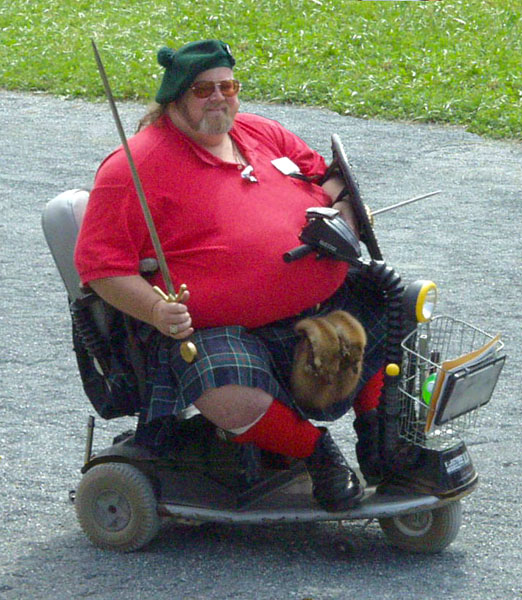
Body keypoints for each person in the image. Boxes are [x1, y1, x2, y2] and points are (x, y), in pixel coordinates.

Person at [75, 39, 386, 512]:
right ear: (175, 97)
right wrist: (156, 310)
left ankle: (379, 439)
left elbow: (329, 175)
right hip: (215, 330)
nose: (219, 97)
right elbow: (101, 267)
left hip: (319, 301)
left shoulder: (261, 132)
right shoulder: (132, 169)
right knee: (223, 384)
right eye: (203, 89)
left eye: (229, 86)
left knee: (392, 301)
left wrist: (342, 212)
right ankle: (318, 454)